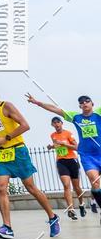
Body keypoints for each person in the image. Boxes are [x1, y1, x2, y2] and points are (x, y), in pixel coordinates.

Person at [0, 84, 60, 239]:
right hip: (2, 154)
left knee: (30, 187)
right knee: (1, 188)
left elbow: (25, 125)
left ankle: (52, 217)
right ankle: (7, 228)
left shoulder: (6, 106)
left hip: (18, 150)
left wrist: (6, 138)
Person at [27, 93, 101, 223]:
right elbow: (55, 109)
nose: (84, 103)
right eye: (82, 102)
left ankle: (91, 201)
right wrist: (37, 102)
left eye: (87, 101)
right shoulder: (75, 117)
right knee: (95, 182)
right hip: (87, 156)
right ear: (79, 105)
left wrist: (65, 144)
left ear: (92, 104)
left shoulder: (98, 114)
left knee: (90, 186)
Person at [48, 116, 85, 219]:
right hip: (61, 161)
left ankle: (82, 204)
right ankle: (71, 209)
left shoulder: (68, 133)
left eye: (58, 122)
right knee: (66, 185)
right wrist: (51, 147)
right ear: (52, 125)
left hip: (72, 160)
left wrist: (65, 144)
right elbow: (57, 145)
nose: (56, 124)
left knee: (76, 187)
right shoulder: (53, 135)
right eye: (54, 123)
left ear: (61, 123)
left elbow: (76, 147)